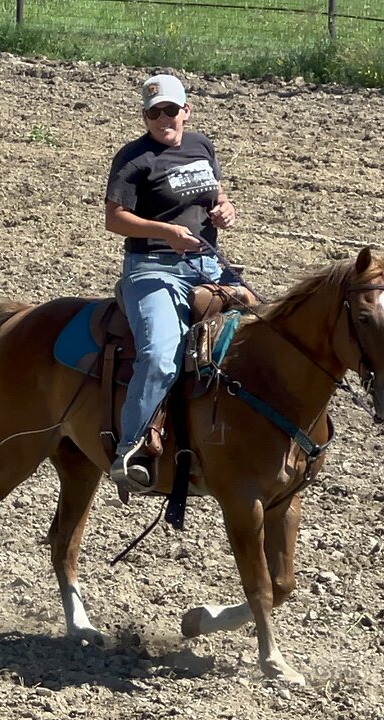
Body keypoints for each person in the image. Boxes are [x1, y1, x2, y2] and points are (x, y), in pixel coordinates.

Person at [103, 73, 239, 497]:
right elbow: (114, 218)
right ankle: (132, 448)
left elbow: (215, 193)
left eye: (169, 110)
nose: (162, 118)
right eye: (153, 112)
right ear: (144, 116)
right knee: (161, 355)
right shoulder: (134, 159)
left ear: (186, 110)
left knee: (265, 326)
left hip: (208, 264)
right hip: (153, 267)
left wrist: (225, 209)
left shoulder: (201, 146)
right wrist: (165, 232)